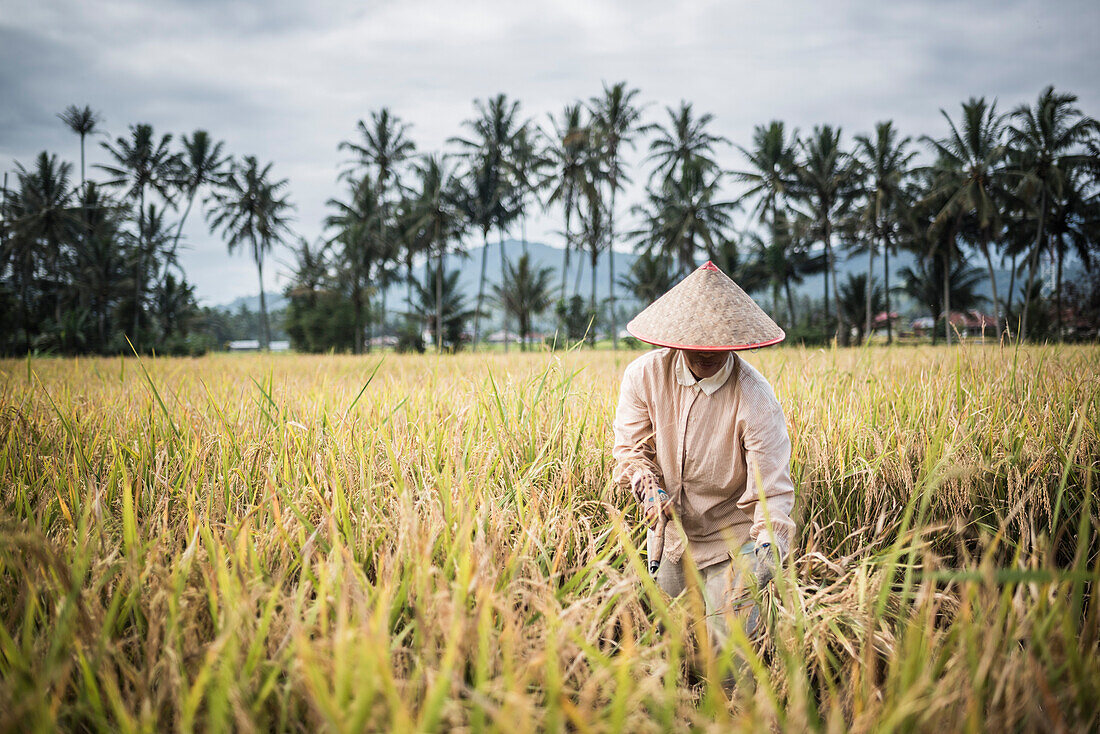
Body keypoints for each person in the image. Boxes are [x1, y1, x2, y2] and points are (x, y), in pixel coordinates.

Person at [612, 261, 796, 654]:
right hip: (671, 536)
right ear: (675, 338)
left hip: (735, 543)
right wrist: (650, 495)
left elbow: (773, 493)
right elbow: (632, 452)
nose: (706, 353)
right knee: (671, 649)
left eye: (717, 343)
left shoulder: (756, 401)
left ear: (734, 340)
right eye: (695, 342)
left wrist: (765, 557)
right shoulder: (643, 376)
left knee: (731, 659)